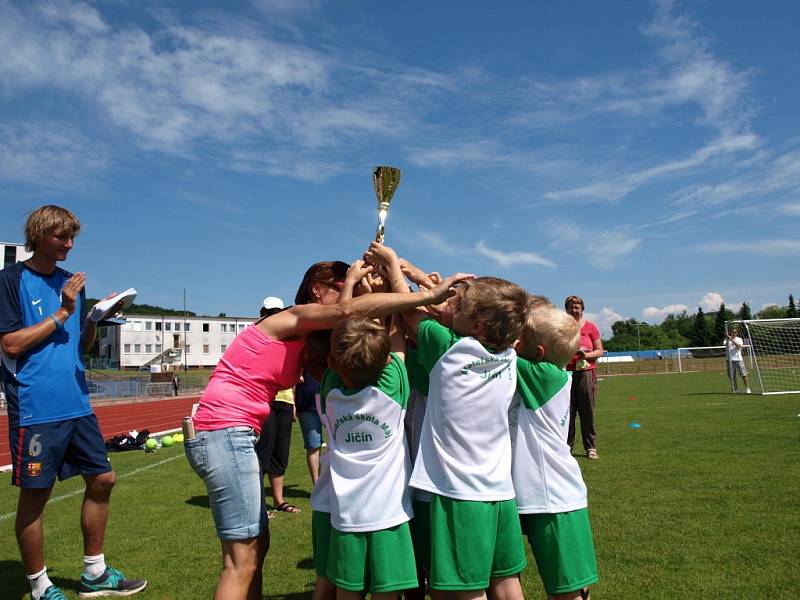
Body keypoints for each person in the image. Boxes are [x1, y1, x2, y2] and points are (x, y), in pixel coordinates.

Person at [184, 257, 471, 600]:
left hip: (230, 430)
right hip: (225, 428)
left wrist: (378, 289)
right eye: (339, 286)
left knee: (254, 548)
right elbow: (349, 316)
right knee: (241, 558)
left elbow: (349, 334)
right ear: (317, 290)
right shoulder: (291, 316)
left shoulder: (316, 344)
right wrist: (421, 294)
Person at [0, 205, 147, 600]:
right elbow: (10, 343)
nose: (69, 244)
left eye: (72, 238)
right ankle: (38, 587)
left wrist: (92, 320)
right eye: (61, 237)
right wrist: (64, 310)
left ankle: (94, 574)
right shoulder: (10, 280)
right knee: (36, 496)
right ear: (38, 236)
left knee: (103, 479)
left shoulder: (72, 283)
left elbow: (80, 349)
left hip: (78, 404)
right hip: (36, 407)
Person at [389, 260, 528, 599]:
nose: (448, 302)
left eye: (458, 303)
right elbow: (442, 316)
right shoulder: (508, 354)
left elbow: (406, 309)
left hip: (458, 494)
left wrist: (393, 264)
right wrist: (423, 278)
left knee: (462, 592)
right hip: (499, 492)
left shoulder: (451, 349)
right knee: (505, 583)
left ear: (477, 323)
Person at [319, 316, 417, 599]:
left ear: (334, 363)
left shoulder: (331, 394)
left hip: (346, 515)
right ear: (386, 363)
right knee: (386, 592)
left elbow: (337, 329)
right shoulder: (390, 392)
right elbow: (398, 346)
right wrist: (397, 310)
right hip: (390, 514)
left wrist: (351, 286)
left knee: (347, 592)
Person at [510, 305, 599, 599]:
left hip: (554, 500)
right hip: (538, 496)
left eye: (518, 337)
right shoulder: (548, 371)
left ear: (536, 354)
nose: (513, 340)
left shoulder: (546, 375)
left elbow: (493, 350)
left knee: (568, 590)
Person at [254, 296, 301, 515]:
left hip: (284, 400)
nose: (274, 317)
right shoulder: (257, 336)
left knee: (281, 452)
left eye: (278, 313)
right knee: (264, 450)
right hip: (265, 400)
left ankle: (279, 500)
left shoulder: (287, 337)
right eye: (270, 313)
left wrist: (292, 402)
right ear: (263, 313)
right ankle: (259, 504)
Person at [564, 296, 604, 460]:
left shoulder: (591, 327)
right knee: (567, 413)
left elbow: (600, 350)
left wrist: (586, 355)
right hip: (566, 373)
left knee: (587, 412)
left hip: (587, 373)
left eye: (577, 307)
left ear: (582, 309)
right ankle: (566, 448)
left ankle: (591, 448)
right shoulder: (562, 327)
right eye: (571, 307)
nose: (574, 310)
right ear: (566, 309)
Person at [724, 328, 751, 393]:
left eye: (735, 332)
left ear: (737, 333)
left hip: (738, 359)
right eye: (733, 332)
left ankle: (747, 388)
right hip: (730, 360)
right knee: (732, 376)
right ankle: (735, 389)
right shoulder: (726, 339)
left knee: (743, 374)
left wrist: (731, 339)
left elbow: (739, 346)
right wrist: (728, 339)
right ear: (730, 333)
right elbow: (725, 345)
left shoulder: (739, 339)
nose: (734, 333)